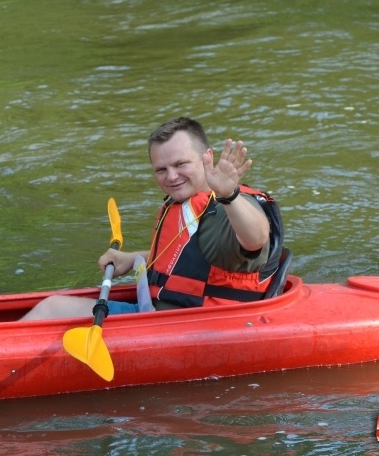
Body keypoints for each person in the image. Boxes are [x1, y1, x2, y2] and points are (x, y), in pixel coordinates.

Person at [22, 116, 283, 320]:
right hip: (161, 314)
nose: (171, 176)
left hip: (194, 325)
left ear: (207, 157)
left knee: (53, 309)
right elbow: (190, 258)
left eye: (181, 164)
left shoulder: (229, 207)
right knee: (52, 306)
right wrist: (132, 258)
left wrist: (230, 194)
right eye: (161, 169)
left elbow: (255, 238)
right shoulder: (184, 203)